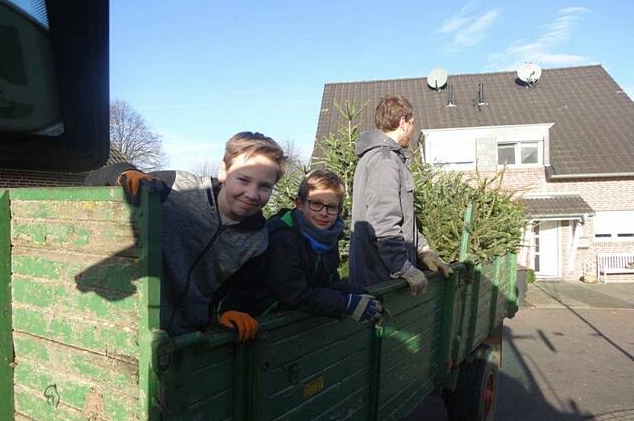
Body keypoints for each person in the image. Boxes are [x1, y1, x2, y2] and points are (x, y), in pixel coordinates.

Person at [85, 131, 287, 339]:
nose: (252, 194)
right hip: (127, 326)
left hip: (190, 338)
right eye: (243, 180)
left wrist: (231, 309)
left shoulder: (258, 239)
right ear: (223, 172)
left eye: (264, 186)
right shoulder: (177, 187)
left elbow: (239, 286)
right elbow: (93, 180)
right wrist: (123, 172)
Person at [221, 169, 382, 324]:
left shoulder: (328, 236)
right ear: (300, 204)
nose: (323, 213)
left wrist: (361, 295)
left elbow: (327, 281)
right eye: (316, 204)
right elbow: (293, 293)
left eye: (331, 207)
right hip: (262, 317)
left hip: (290, 319)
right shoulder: (283, 239)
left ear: (339, 210)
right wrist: (345, 304)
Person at [350, 95, 452, 294]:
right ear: (402, 122)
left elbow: (404, 221)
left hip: (384, 280)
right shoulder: (384, 160)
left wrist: (424, 250)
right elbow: (384, 222)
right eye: (412, 123)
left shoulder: (385, 158)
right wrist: (402, 267)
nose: (412, 130)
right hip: (381, 283)